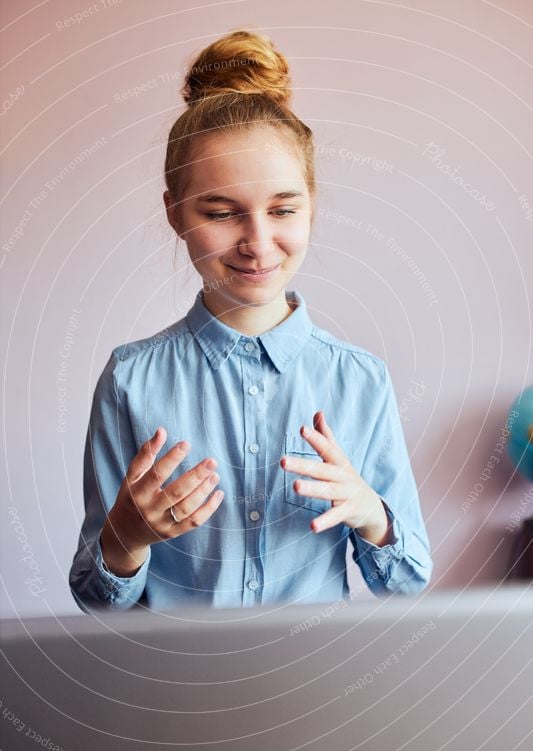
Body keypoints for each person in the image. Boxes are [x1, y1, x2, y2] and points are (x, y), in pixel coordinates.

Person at [69, 29, 433, 613]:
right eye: (221, 213)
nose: (258, 243)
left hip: (316, 690)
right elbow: (96, 602)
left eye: (283, 209)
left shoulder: (361, 382)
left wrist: (369, 513)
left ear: (311, 204)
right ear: (175, 213)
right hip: (176, 693)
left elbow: (408, 582)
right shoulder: (128, 382)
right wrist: (127, 538)